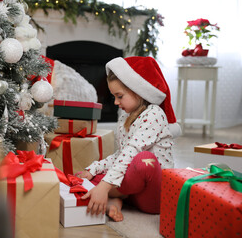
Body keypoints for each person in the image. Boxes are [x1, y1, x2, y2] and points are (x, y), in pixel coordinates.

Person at [76, 56, 179, 222]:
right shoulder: (126, 116)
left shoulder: (154, 114)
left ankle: (108, 192)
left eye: (119, 96)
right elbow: (121, 154)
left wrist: (103, 185)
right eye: (113, 97)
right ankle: (114, 200)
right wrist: (94, 169)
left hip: (154, 197)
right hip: (133, 192)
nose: (116, 102)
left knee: (145, 160)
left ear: (138, 91)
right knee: (89, 177)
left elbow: (132, 151)